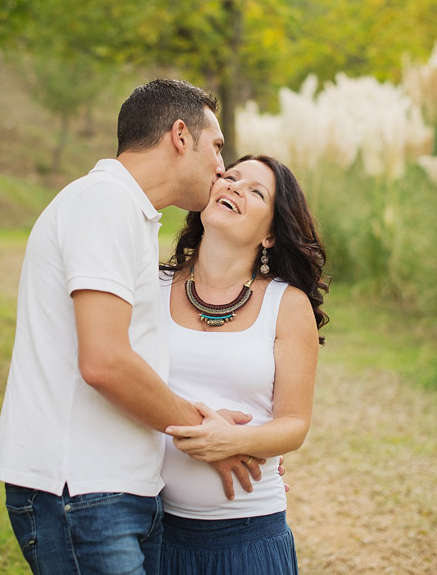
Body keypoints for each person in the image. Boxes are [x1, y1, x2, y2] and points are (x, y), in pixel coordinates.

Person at [0, 79, 264, 575]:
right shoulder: (103, 203)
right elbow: (106, 362)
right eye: (217, 146)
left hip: (118, 490)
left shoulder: (129, 214)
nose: (222, 167)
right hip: (81, 489)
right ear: (181, 136)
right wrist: (204, 433)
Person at [157, 154, 329, 573]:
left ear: (270, 235)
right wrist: (202, 431)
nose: (234, 186)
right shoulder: (151, 286)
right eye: (230, 177)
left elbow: (294, 424)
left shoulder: (287, 305)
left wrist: (234, 441)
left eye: (256, 191)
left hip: (248, 536)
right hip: (152, 529)